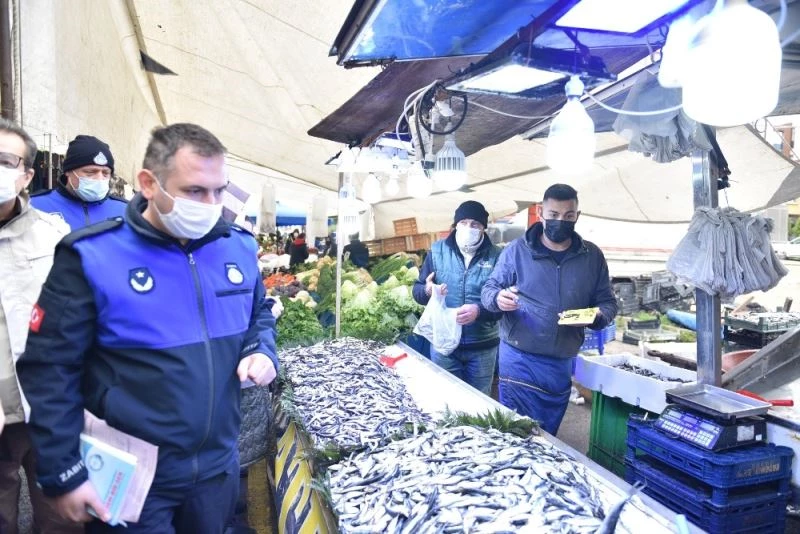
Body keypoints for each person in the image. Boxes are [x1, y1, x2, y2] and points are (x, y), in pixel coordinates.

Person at [17, 123, 278, 533]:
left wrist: (260, 348)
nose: (210, 205)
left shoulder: (238, 247)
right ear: (148, 183)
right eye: (195, 191)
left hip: (216, 470)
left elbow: (258, 313)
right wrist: (63, 469)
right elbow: (48, 368)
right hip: (127, 470)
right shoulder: (92, 255)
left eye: (219, 191)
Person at [481, 184, 617, 435]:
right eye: (554, 214)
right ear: (541, 214)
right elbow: (489, 290)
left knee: (546, 433)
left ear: (577, 216)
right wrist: (498, 298)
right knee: (514, 432)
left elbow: (608, 303)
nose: (560, 221)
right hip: (518, 358)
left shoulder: (592, 256)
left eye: (568, 215)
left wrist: (596, 316)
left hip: (560, 362)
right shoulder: (517, 251)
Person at [0, 119, 80, 534]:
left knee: (60, 517)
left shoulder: (53, 237)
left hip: (47, 406)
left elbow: (78, 317)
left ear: (27, 175)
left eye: (4, 161)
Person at [412, 201, 502, 395]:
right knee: (446, 399)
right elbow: (417, 291)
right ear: (455, 225)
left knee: (479, 401)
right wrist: (427, 290)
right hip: (443, 343)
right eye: (463, 222)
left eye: (475, 224)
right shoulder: (437, 252)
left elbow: (504, 303)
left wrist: (479, 311)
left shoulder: (497, 256)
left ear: (483, 228)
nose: (469, 228)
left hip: (482, 346)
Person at [30, 135, 126, 229]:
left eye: (105, 173)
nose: (99, 178)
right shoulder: (34, 206)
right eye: (90, 172)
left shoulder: (125, 210)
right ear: (68, 171)